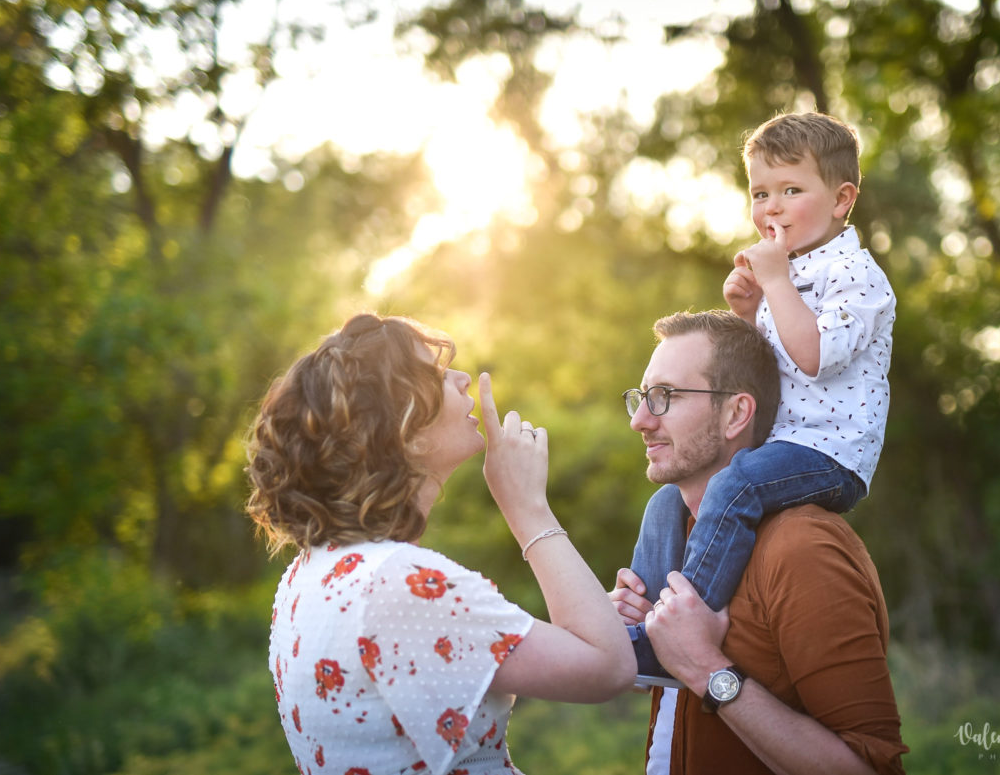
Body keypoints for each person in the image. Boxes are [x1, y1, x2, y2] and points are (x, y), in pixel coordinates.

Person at [245, 313, 635, 775]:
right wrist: (526, 506)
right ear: (403, 430)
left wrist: (589, 616)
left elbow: (561, 646)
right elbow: (608, 668)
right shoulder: (402, 585)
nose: (463, 377)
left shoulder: (311, 574)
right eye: (434, 375)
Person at [626, 112, 897, 677]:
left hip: (830, 452)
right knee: (666, 502)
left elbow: (814, 356)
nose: (771, 207)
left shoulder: (857, 276)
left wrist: (774, 283)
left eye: (791, 190)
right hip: (783, 441)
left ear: (842, 199)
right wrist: (748, 313)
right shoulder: (790, 271)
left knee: (735, 484)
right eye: (760, 193)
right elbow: (758, 370)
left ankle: (687, 623)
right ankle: (648, 630)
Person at [611, 309, 907, 774]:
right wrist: (645, 630)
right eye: (643, 397)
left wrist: (707, 670)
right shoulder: (675, 534)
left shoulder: (801, 548)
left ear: (735, 414)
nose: (641, 421)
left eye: (665, 396)